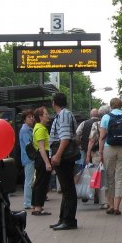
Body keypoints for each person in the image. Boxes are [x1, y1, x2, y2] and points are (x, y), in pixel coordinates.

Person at [98, 97, 122, 216]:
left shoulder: (106, 117)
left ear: (111, 106)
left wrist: (100, 152)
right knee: (120, 177)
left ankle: (110, 205)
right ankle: (117, 207)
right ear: (121, 105)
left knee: (109, 176)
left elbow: (102, 137)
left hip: (109, 148)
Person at [49, 92, 78, 231]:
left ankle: (69, 220)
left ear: (54, 103)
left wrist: (58, 155)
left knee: (68, 189)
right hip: (64, 156)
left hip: (64, 156)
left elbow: (65, 137)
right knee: (66, 189)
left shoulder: (64, 115)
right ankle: (63, 218)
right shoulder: (63, 114)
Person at [30, 106, 52, 216]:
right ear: (40, 117)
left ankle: (35, 206)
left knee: (38, 181)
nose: (48, 116)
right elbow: (41, 147)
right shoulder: (40, 129)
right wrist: (47, 162)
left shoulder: (38, 127)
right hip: (43, 157)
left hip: (41, 158)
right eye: (46, 114)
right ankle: (38, 207)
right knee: (41, 183)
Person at [86, 105, 109, 207]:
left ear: (100, 115)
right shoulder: (112, 122)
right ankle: (111, 201)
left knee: (100, 176)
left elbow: (91, 140)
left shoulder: (96, 124)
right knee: (110, 177)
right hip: (110, 152)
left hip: (97, 154)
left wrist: (87, 155)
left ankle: (103, 201)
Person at [18, 109, 35, 210]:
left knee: (30, 180)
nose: (32, 118)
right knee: (29, 181)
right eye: (29, 117)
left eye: (32, 116)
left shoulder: (28, 129)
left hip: (29, 158)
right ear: (25, 119)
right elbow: (28, 145)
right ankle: (27, 202)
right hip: (29, 158)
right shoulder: (25, 130)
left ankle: (29, 201)